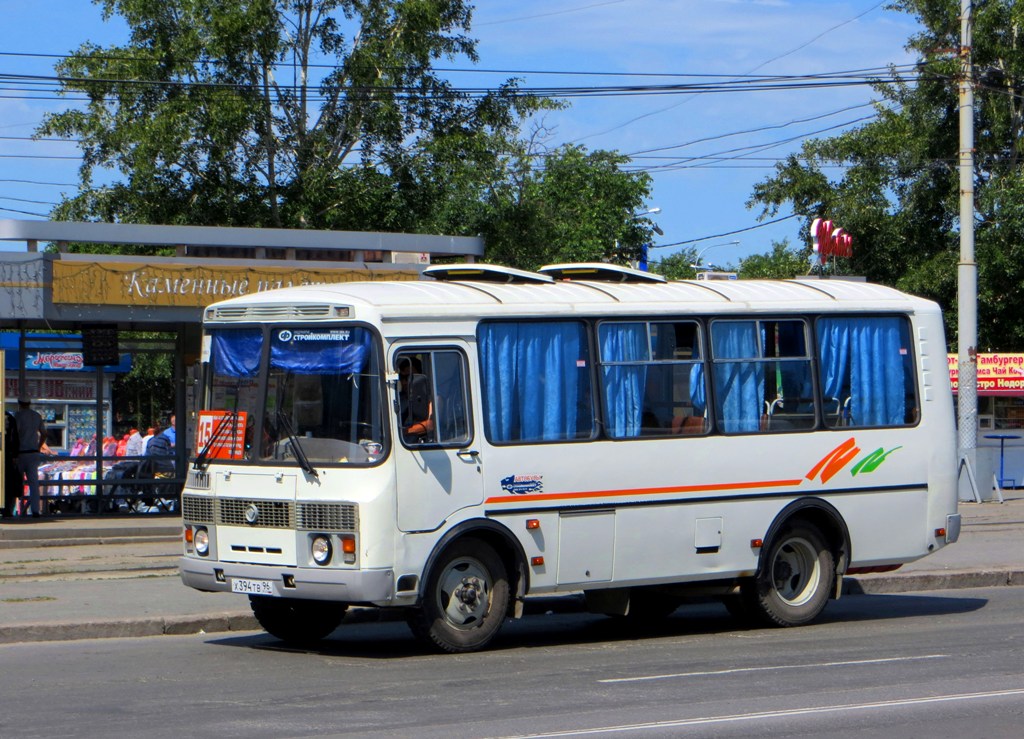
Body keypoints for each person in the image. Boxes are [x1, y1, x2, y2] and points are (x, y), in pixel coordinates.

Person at [14, 396, 47, 518]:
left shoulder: (18, 416)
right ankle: (35, 511)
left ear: (19, 403)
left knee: (16, 482)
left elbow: (15, 434)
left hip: (21, 453)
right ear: (29, 403)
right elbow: (44, 433)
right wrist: (38, 446)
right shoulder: (36, 415)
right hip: (33, 453)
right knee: (34, 483)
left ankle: (13, 508)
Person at [397, 357, 433, 443]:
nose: (405, 382)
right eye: (402, 377)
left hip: (418, 444)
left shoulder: (432, 398)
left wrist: (402, 432)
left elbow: (431, 424)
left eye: (410, 377)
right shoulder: (398, 398)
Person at [2, 409, 21, 517]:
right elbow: (14, 439)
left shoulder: (10, 418)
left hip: (7, 455)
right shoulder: (10, 418)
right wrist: (15, 455)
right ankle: (7, 509)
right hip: (8, 456)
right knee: (8, 484)